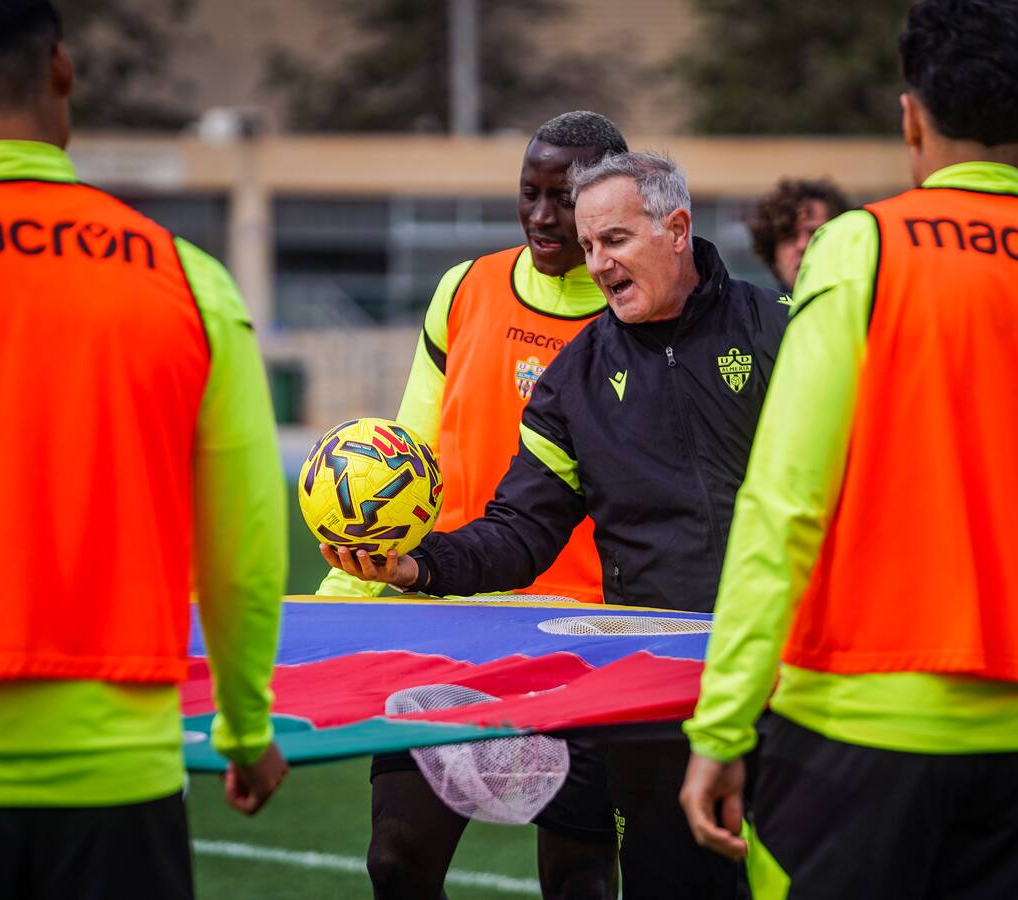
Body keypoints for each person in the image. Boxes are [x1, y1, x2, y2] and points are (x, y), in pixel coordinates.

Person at [679, 2, 1018, 898]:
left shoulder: (862, 246)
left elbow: (783, 501)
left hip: (859, 729)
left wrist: (722, 723)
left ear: (910, 116)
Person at [325, 150, 791, 900]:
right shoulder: (574, 380)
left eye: (616, 240)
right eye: (589, 245)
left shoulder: (780, 329)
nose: (598, 264)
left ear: (676, 229)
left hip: (792, 674)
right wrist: (417, 564)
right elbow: (520, 532)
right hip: (658, 695)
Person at [0, 2, 287, 898]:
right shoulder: (183, 277)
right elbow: (243, 540)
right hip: (116, 775)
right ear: (62, 69)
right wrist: (245, 729)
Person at [319, 112, 626, 900]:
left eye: (565, 198)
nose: (542, 216)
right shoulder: (464, 290)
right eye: (530, 193)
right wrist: (336, 605)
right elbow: (404, 466)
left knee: (581, 881)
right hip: (450, 624)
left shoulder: (635, 311)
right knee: (396, 860)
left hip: (589, 639)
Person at [747, 178, 848, 291]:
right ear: (773, 258)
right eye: (789, 237)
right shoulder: (751, 301)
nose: (802, 245)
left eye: (816, 233)